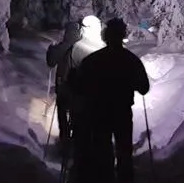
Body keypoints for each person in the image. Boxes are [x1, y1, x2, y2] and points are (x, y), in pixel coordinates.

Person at [74, 18, 151, 183]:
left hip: (98, 112)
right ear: (122, 35)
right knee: (124, 151)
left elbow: (79, 86)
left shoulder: (92, 60)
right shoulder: (131, 60)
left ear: (106, 36)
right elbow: (144, 87)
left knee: (103, 151)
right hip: (122, 112)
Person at [45, 21, 82, 155]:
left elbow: (50, 62)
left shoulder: (62, 47)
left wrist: (51, 50)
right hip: (78, 90)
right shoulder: (82, 47)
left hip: (63, 87)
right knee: (76, 115)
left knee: (62, 115)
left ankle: (65, 141)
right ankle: (76, 142)